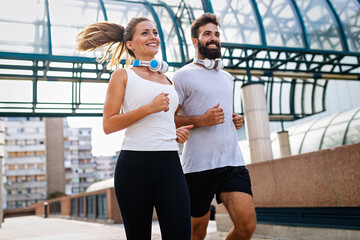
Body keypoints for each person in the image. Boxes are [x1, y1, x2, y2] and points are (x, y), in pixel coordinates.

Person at [76, 17, 192, 240]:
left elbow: (167, 119)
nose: (153, 37)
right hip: (135, 167)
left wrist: (176, 134)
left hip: (170, 164)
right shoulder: (122, 75)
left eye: (155, 33)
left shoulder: (169, 80)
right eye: (145, 33)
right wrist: (148, 108)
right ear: (130, 44)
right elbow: (108, 124)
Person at [173, 13, 257, 240]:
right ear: (195, 41)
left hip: (232, 162)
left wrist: (235, 119)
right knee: (196, 233)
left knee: (247, 226)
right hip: (197, 166)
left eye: (217, 34)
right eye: (207, 34)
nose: (214, 38)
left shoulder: (227, 77)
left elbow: (222, 113)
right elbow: (167, 120)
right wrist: (201, 120)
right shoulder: (181, 76)